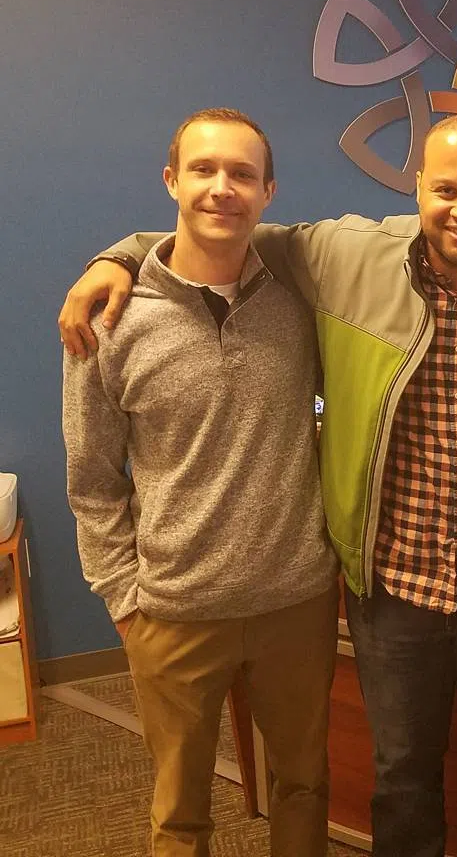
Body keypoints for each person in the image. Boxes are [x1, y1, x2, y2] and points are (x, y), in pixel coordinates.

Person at [58, 114, 457, 857]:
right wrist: (121, 255)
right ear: (417, 188)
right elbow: (95, 474)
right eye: (446, 189)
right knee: (391, 782)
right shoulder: (346, 259)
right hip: (381, 589)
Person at [61, 107, 340, 857]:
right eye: (204, 169)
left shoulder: (301, 300)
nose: (222, 188)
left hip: (297, 601)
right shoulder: (109, 319)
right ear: (171, 180)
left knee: (303, 786)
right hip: (174, 610)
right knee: (180, 814)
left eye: (242, 174)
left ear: (269, 192)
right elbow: (92, 478)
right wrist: (124, 598)